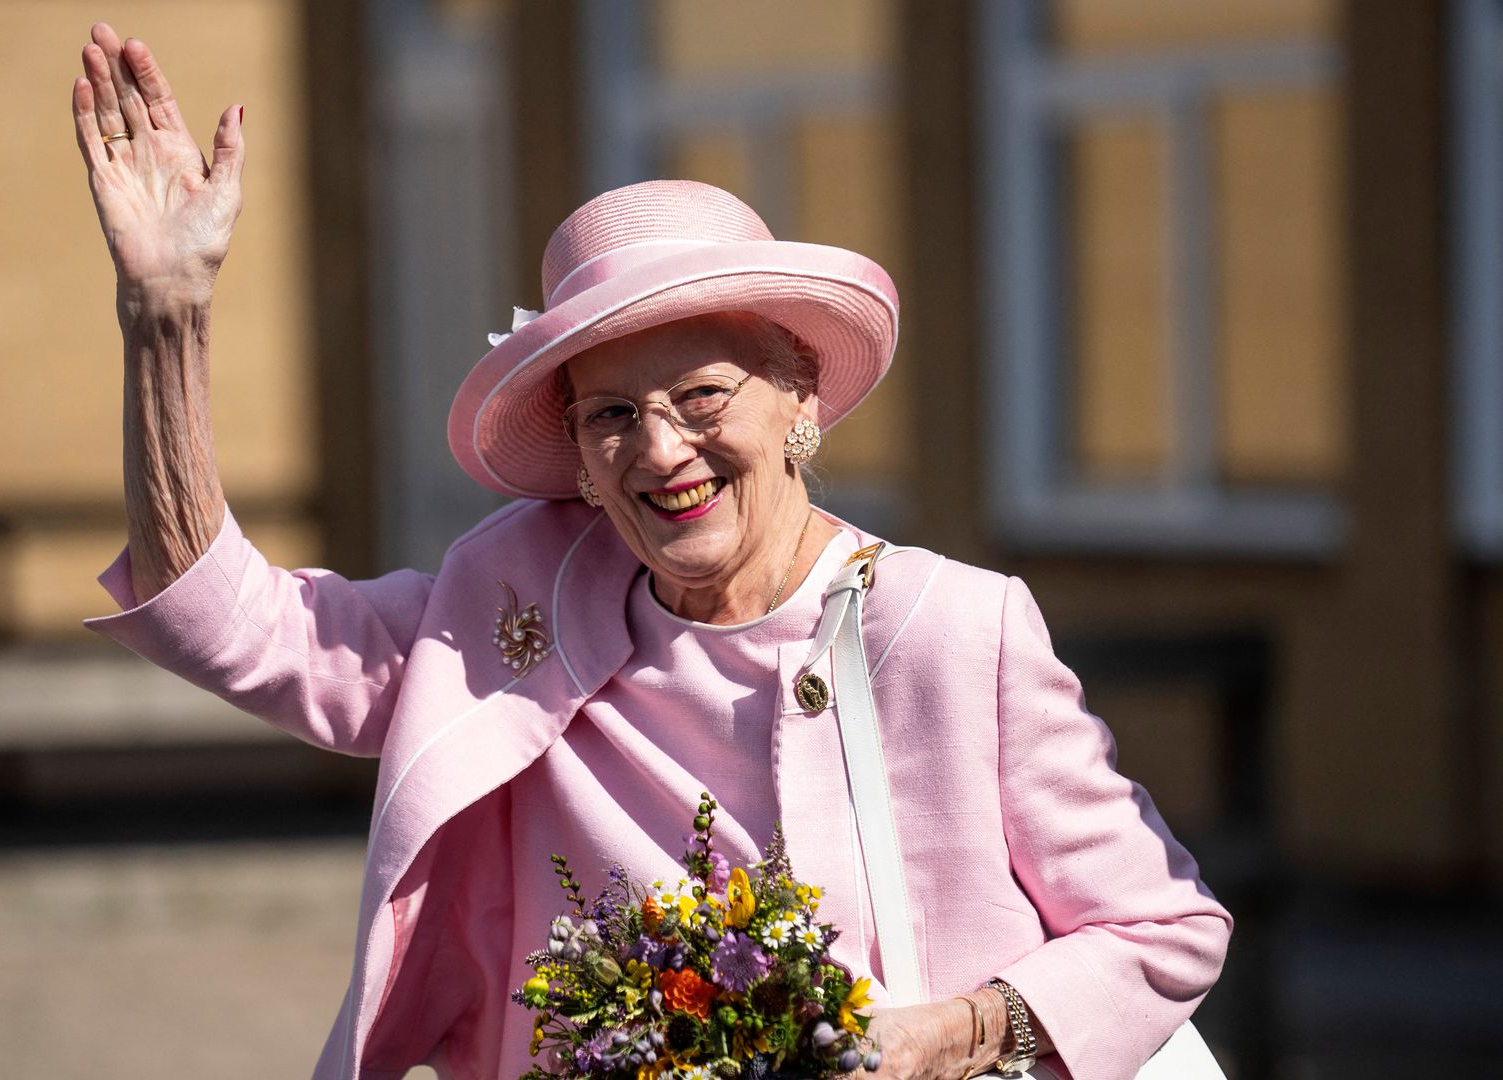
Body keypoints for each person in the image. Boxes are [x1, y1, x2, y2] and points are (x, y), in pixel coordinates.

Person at [69, 22, 1229, 1080]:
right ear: (577, 452)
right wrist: (166, 319)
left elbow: (1166, 928)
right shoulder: (504, 605)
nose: (660, 448)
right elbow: (228, 625)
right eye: (611, 414)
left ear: (798, 399)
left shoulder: (951, 629)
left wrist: (947, 1036)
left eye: (704, 393)